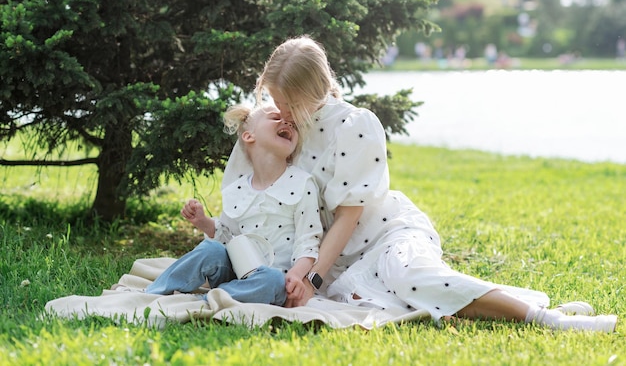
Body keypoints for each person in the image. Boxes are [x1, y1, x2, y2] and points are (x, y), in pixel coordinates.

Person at [222, 36, 618, 332]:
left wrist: (313, 280)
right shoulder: (285, 129)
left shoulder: (355, 125)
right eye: (275, 101)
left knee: (409, 276)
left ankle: (548, 320)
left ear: (312, 90)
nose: (282, 112)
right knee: (408, 295)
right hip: (341, 260)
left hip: (384, 235)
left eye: (287, 101)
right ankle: (530, 304)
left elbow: (349, 215)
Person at [116, 104, 323, 306]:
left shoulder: (302, 183)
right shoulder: (238, 189)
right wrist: (203, 222)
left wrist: (296, 276)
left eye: (293, 125)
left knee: (271, 279)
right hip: (235, 272)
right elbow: (227, 236)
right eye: (275, 117)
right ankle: (153, 292)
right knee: (211, 249)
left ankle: (206, 301)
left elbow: (308, 242)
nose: (286, 122)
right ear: (249, 136)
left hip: (274, 282)